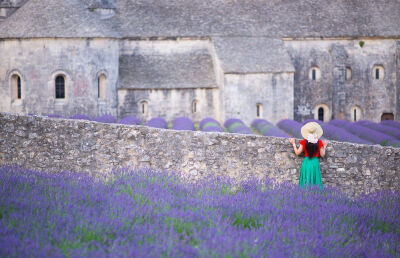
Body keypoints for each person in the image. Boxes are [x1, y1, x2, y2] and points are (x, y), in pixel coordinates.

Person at [289, 122, 328, 191]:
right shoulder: (319, 142)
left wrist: (293, 144)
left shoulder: (304, 141)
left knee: (305, 180)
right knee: (315, 180)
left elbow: (297, 153)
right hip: (315, 163)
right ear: (316, 132)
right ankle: (316, 196)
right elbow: (322, 155)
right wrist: (324, 146)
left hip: (306, 162)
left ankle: (305, 196)